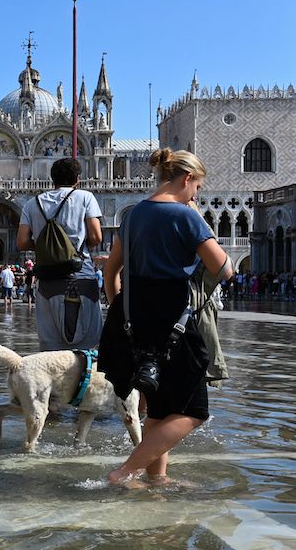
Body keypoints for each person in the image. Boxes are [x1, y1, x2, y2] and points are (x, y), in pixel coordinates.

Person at [98, 148, 233, 486]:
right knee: (193, 411)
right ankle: (124, 471)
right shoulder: (185, 217)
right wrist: (197, 218)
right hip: (174, 319)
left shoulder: (133, 215)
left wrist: (124, 316)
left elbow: (111, 273)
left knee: (159, 407)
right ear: (187, 179)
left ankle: (157, 480)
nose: (197, 194)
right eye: (198, 187)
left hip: (133, 321)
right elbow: (224, 268)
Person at [16, 157, 104, 351]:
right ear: (77, 179)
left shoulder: (33, 203)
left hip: (47, 283)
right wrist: (74, 249)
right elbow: (96, 236)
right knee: (87, 349)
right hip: (81, 277)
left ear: (52, 179)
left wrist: (45, 246)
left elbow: (22, 242)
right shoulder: (85, 197)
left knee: (50, 351)